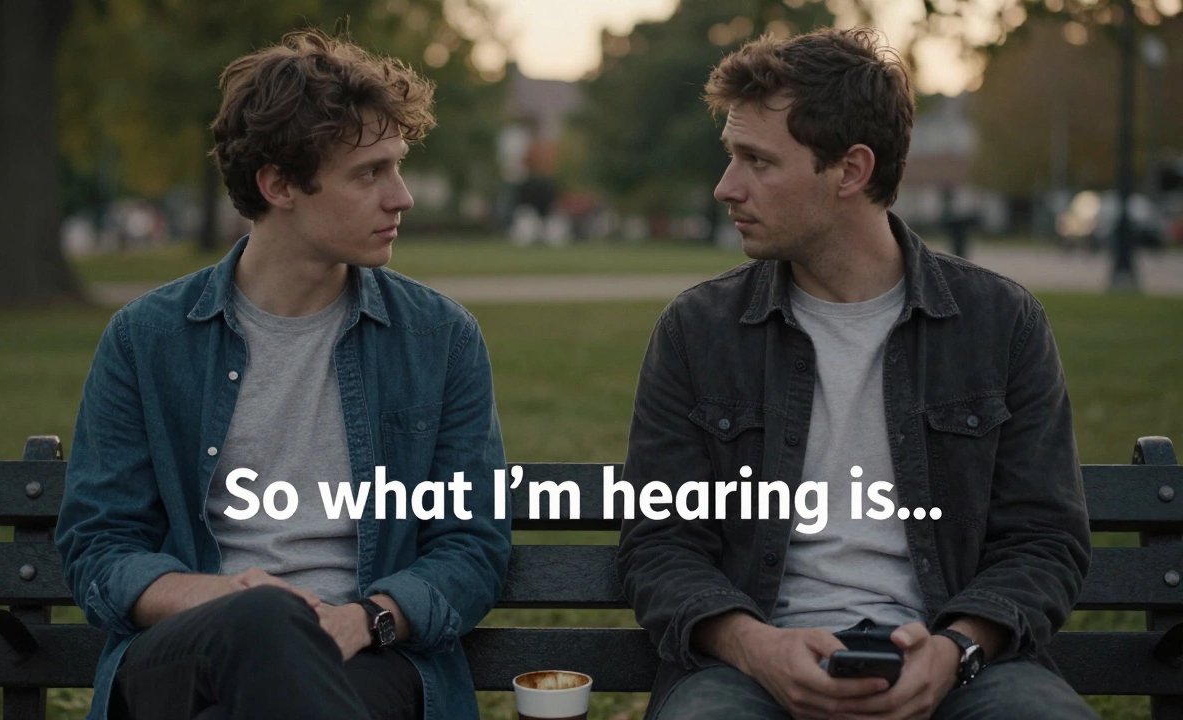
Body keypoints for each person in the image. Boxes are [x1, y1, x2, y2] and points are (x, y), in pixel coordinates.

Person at [615, 28, 1094, 720]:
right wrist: (758, 649)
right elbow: (659, 544)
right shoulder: (698, 332)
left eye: (757, 161)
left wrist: (955, 649)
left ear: (850, 170)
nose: (727, 187)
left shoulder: (1000, 323)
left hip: (960, 666)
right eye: (731, 157)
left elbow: (1044, 541)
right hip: (748, 670)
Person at [56, 29, 510, 720]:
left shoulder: (439, 339)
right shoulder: (148, 339)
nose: (403, 197)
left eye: (399, 167)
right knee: (265, 624)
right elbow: (98, 547)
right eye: (370, 173)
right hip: (186, 646)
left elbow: (470, 543)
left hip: (368, 656)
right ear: (278, 184)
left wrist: (365, 619)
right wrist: (217, 596)